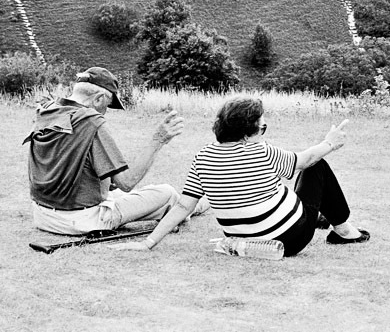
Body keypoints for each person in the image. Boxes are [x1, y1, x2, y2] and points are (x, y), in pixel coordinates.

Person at [112, 96, 370, 254]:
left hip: (242, 240)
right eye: (262, 127)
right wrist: (330, 142)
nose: (263, 132)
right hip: (290, 239)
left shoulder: (204, 157)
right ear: (247, 134)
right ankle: (344, 231)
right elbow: (306, 160)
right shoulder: (260, 151)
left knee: (293, 181)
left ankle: (324, 218)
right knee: (317, 166)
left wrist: (149, 243)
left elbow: (183, 205)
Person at [24, 66, 185, 235]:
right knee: (167, 193)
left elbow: (62, 163)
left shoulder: (47, 111)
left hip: (43, 215)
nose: (106, 111)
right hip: (81, 220)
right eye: (107, 105)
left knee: (130, 195)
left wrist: (104, 180)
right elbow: (127, 183)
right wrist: (158, 140)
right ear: (99, 99)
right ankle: (195, 204)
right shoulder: (91, 121)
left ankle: (191, 204)